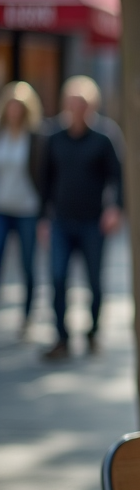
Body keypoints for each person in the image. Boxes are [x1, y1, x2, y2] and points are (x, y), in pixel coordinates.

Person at [41, 76, 122, 360]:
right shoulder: (54, 137)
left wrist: (115, 209)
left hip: (93, 222)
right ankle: (61, 338)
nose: (76, 109)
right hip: (61, 220)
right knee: (58, 278)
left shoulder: (104, 137)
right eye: (72, 103)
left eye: (82, 104)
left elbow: (119, 177)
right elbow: (45, 180)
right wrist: (42, 219)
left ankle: (93, 333)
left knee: (94, 282)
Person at [0, 81, 45, 339]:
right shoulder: (1, 133)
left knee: (28, 265)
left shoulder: (37, 138)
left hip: (27, 209)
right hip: (2, 208)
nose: (14, 111)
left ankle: (27, 316)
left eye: (19, 107)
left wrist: (44, 215)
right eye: (11, 106)